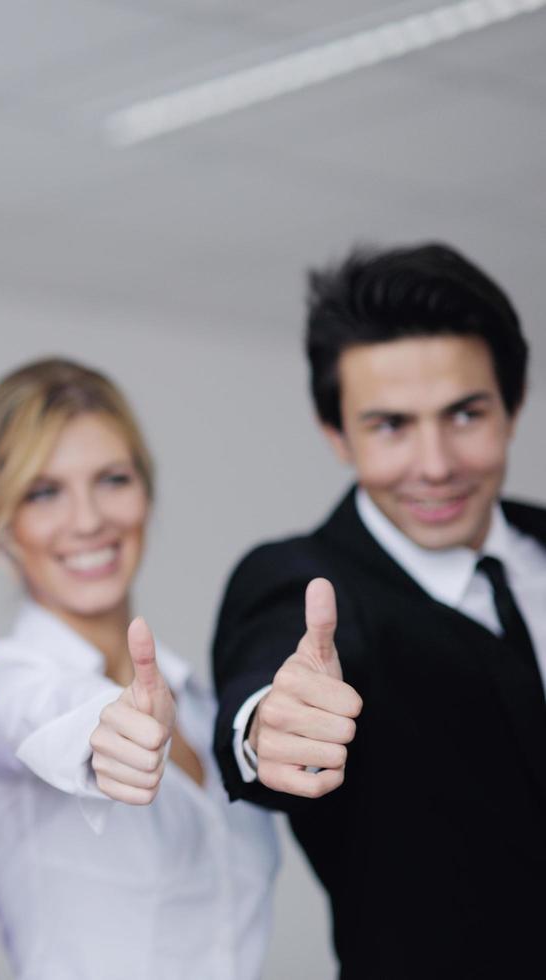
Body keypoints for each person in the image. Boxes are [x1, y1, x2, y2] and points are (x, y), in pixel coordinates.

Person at [210, 243, 545, 976]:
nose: (434, 463)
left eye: (464, 413)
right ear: (337, 434)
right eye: (391, 425)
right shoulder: (298, 581)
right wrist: (269, 726)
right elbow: (263, 689)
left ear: (514, 405)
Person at [0, 357, 277, 979]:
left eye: (112, 479)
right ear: (1, 523)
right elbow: (42, 714)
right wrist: (100, 723)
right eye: (44, 492)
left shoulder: (208, 706)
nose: (87, 520)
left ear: (147, 492)